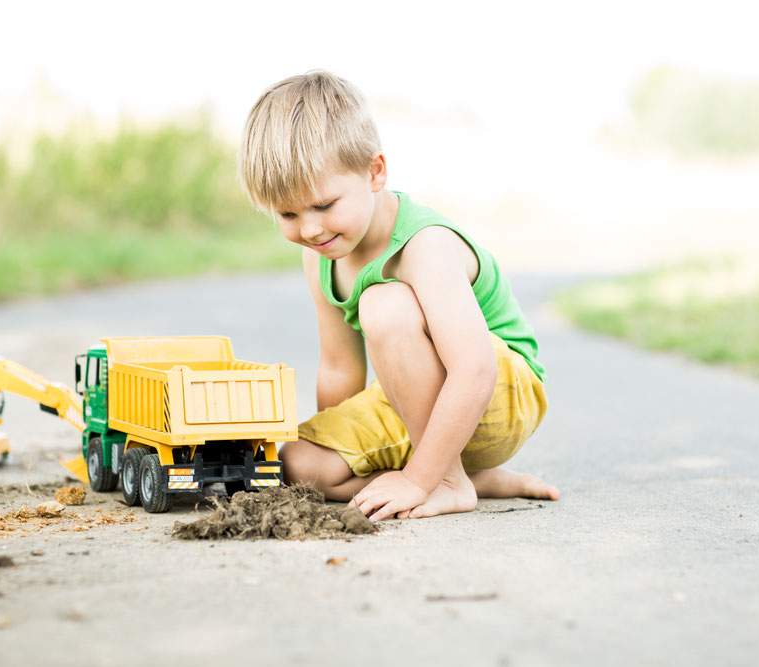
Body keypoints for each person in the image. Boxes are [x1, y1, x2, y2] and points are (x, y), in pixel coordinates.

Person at [237, 71, 558, 521]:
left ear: (375, 172)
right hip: (414, 403)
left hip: (498, 393)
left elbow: (475, 368)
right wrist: (336, 442)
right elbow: (338, 366)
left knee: (384, 304)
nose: (309, 229)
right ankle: (462, 478)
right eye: (287, 213)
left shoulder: (425, 245)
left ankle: (443, 479)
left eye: (324, 206)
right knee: (296, 463)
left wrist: (420, 479)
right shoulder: (320, 253)